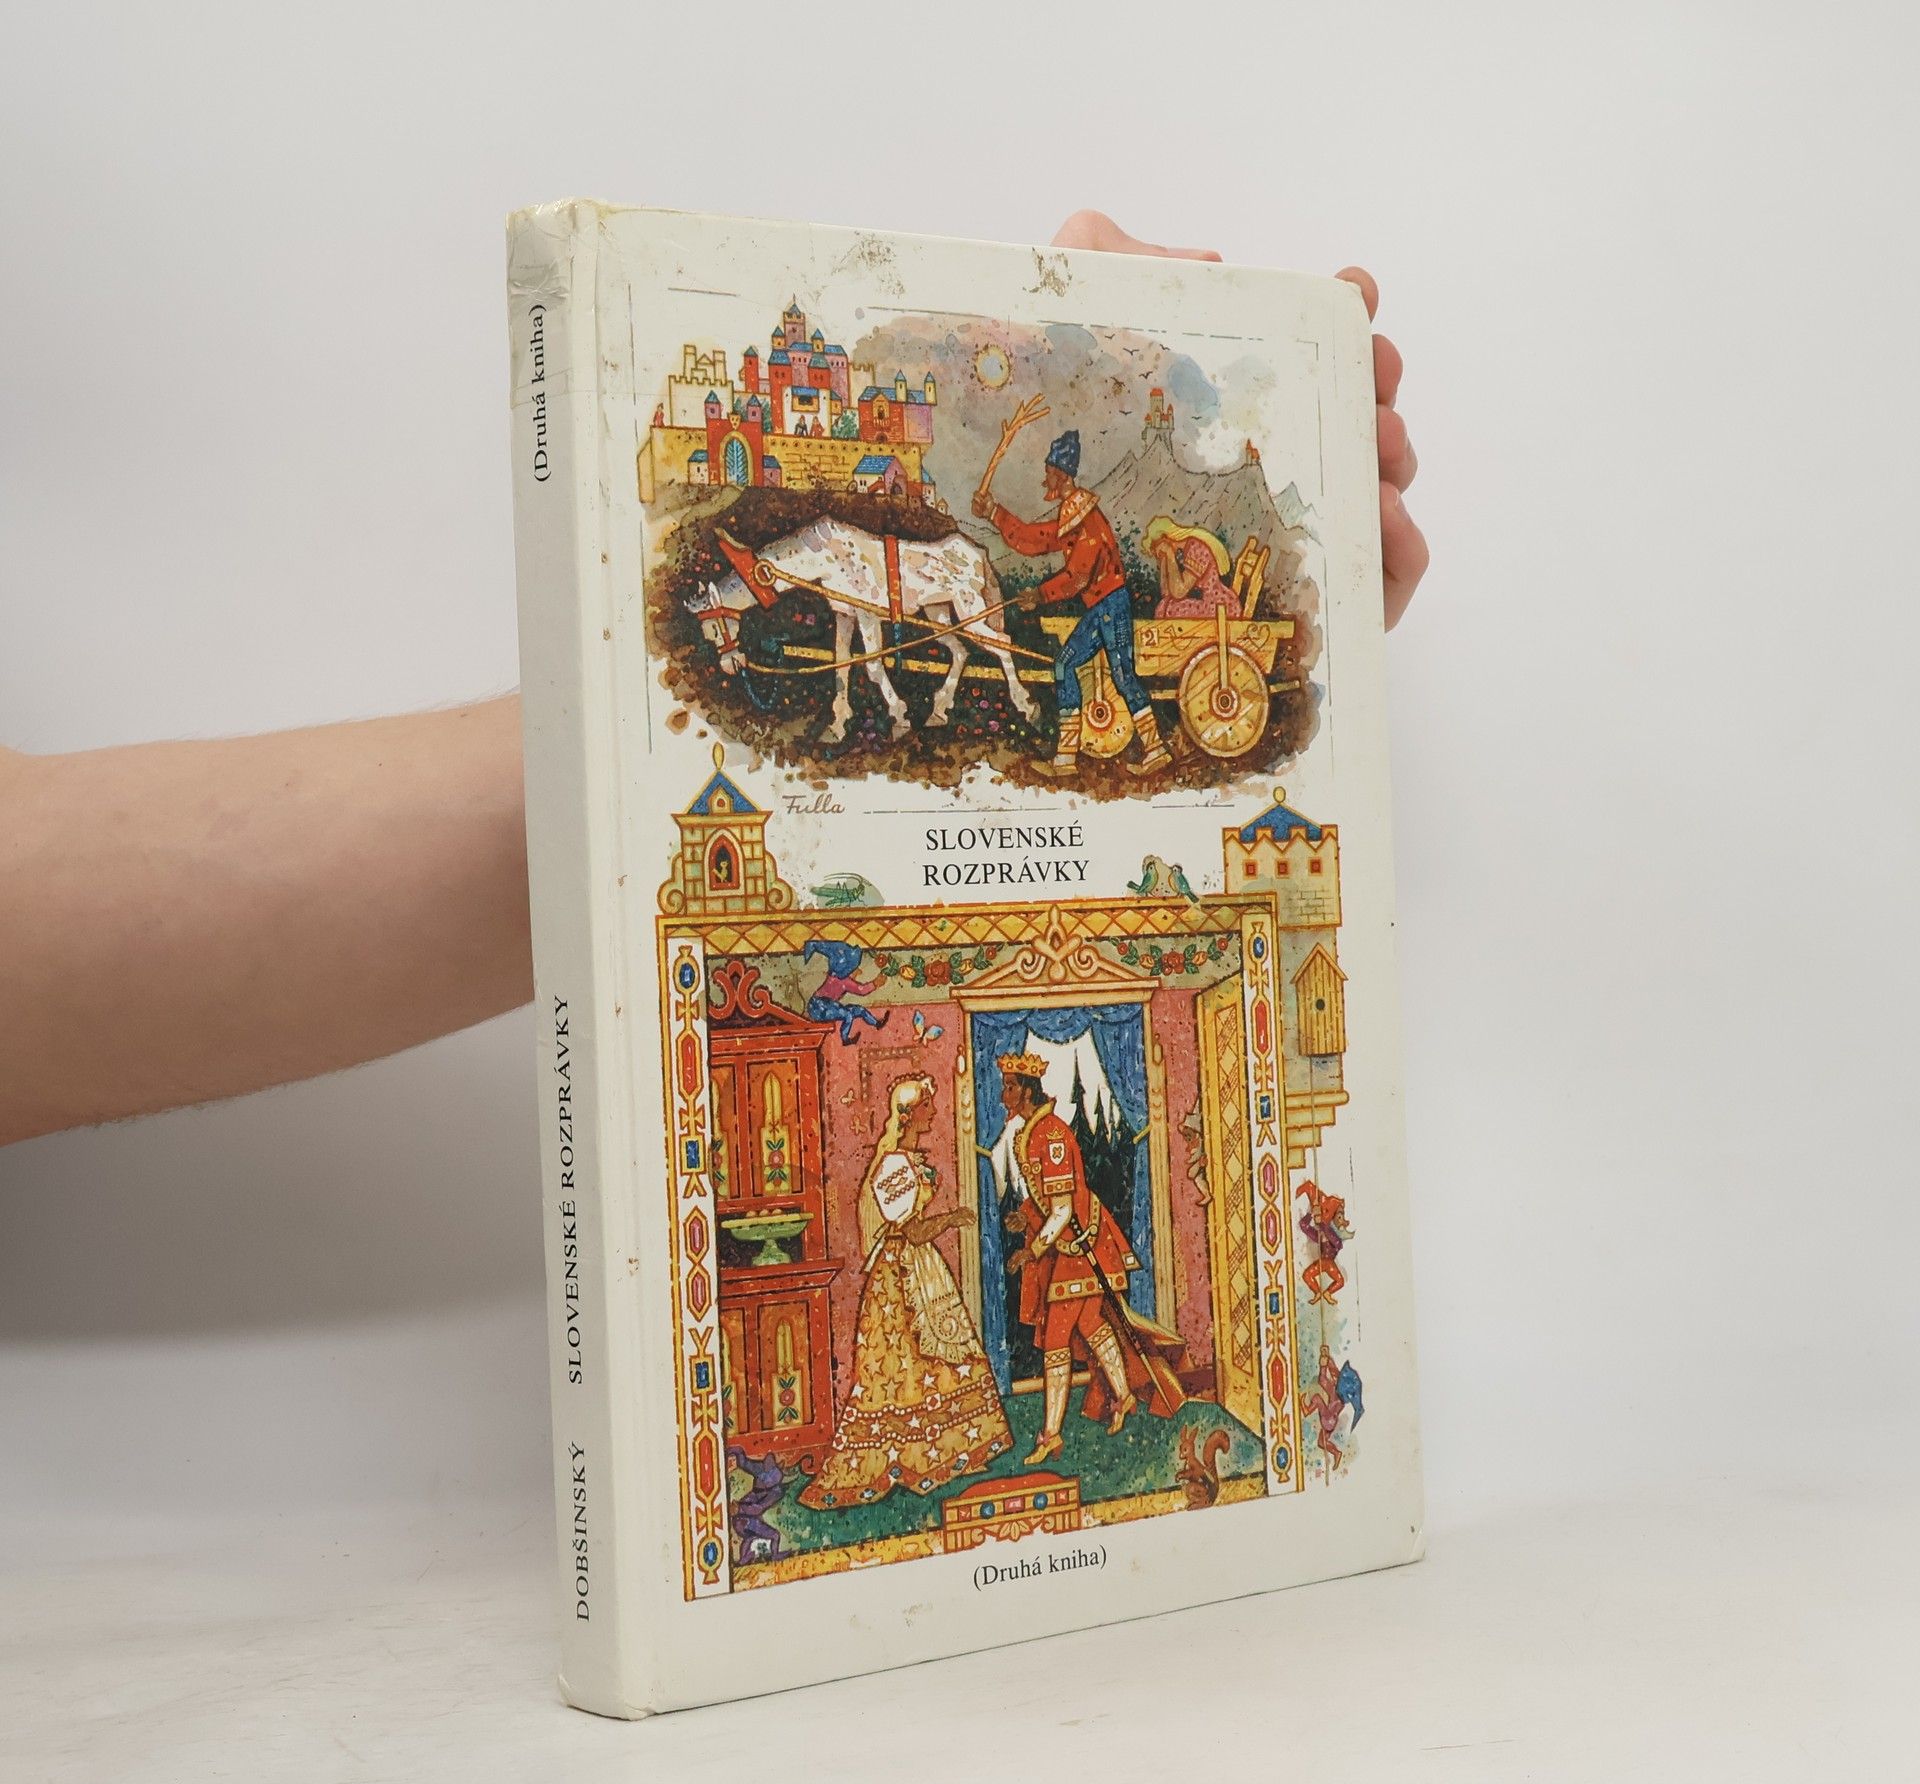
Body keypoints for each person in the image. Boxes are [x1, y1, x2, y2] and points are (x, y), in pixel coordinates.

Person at [0, 212, 1426, 1147]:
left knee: (1075, 665)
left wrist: (1032, 347)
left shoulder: (1082, 530)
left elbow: (1061, 569)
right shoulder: (1007, 516)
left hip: (1094, 618)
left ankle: (1076, 724)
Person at [798, 1075, 1011, 1507]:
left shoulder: (909, 1159)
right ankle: (910, 1456)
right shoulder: (894, 1165)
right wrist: (951, 1219)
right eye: (927, 1105)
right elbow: (911, 1232)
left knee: (939, 1355)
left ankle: (952, 1449)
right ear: (910, 1114)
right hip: (901, 1275)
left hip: (918, 1267)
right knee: (907, 1363)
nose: (933, 1111)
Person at [997, 1050, 1186, 1465]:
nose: (1002, 1095)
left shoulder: (1051, 1136)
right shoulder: (1030, 1131)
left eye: (1009, 1087)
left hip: (1081, 1247)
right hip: (1067, 1246)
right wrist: (1025, 1214)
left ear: (1026, 1091)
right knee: (1091, 1325)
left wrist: (1031, 1250)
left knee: (1056, 1340)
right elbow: (1048, 1198)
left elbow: (1064, 1208)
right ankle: (1124, 1397)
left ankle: (1051, 1435)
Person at [973, 426, 1172, 779]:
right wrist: (993, 513)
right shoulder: (1073, 514)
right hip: (1103, 607)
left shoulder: (1087, 521)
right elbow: (1035, 539)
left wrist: (1040, 595)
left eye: (1049, 472)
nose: (1045, 479)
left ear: (1062, 475)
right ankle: (1066, 759)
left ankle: (1154, 750)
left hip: (1111, 606)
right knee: (1068, 665)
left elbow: (1077, 576)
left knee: (1120, 675)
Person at [1145, 517, 1241, 619]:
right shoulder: (1182, 552)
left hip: (1219, 604)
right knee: (1164, 606)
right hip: (1208, 604)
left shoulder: (1196, 547)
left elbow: (1178, 592)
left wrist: (1169, 553)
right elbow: (1166, 593)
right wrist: (1165, 560)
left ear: (1165, 538)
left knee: (1169, 609)